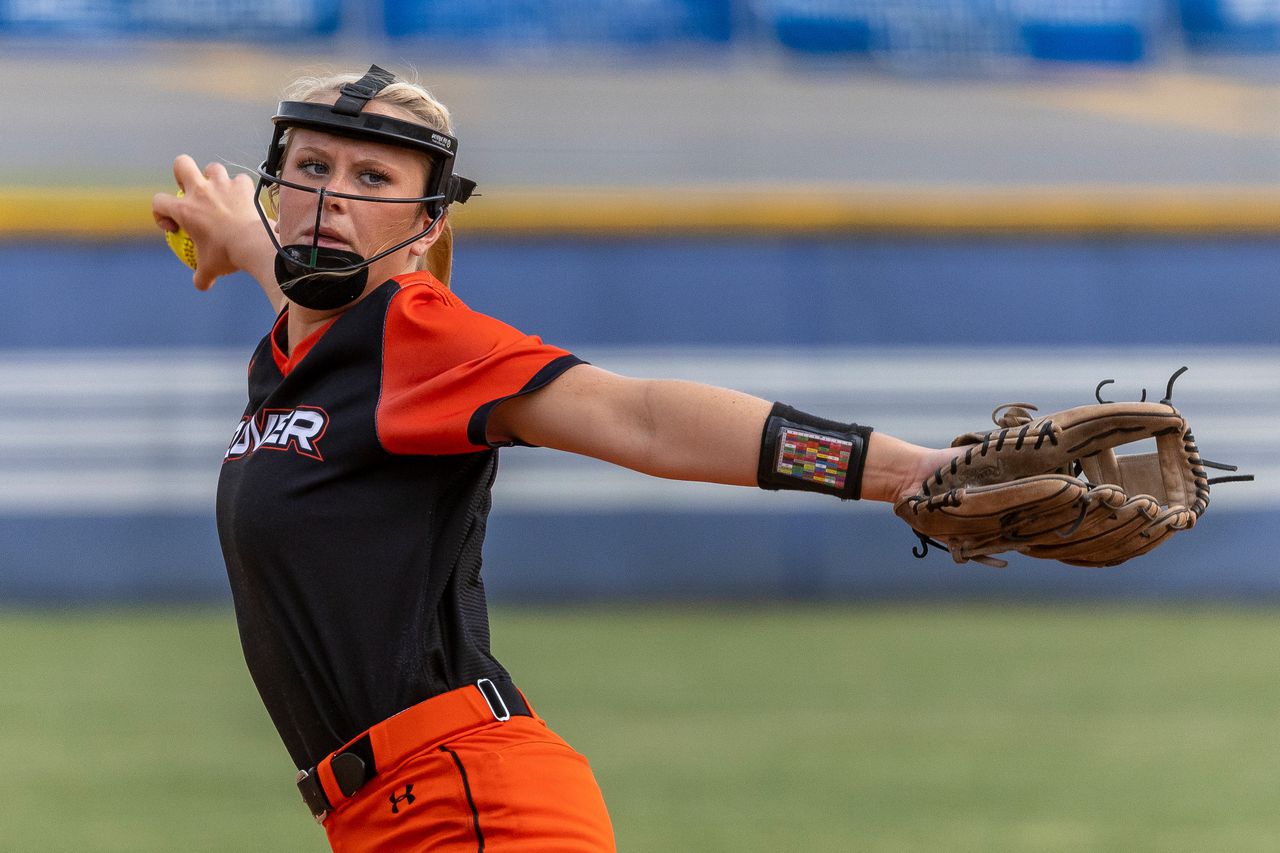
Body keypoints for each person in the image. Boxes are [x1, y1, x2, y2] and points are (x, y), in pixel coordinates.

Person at [152, 65, 958, 853]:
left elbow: (640, 419)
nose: (333, 196)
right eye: (313, 166)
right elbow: (305, 288)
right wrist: (243, 243)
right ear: (276, 183)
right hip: (391, 811)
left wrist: (897, 471)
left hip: (466, 804)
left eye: (372, 175)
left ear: (426, 223)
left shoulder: (417, 331)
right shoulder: (308, 349)